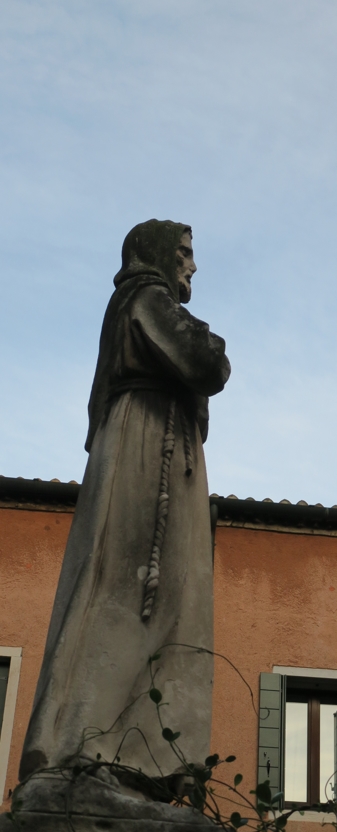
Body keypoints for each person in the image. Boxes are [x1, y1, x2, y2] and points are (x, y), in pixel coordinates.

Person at [20, 219, 230, 784]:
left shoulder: (143, 302)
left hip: (161, 443)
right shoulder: (145, 297)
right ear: (158, 254)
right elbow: (205, 363)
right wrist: (211, 344)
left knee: (162, 597)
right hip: (146, 445)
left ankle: (134, 756)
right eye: (184, 252)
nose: (192, 264)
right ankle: (91, 747)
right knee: (131, 587)